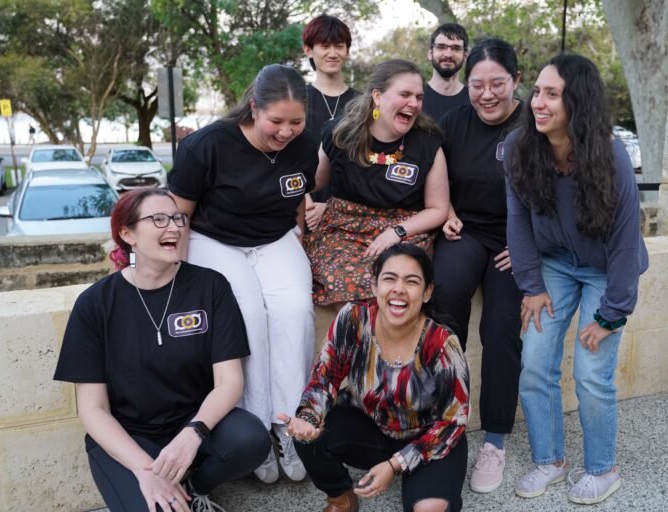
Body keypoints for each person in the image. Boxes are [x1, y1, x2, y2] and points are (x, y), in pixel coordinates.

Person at [53, 189, 271, 512]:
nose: (173, 227)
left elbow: (229, 381)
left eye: (177, 218)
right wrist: (145, 470)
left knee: (252, 439)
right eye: (158, 220)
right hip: (130, 435)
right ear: (128, 235)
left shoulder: (211, 287)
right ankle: (163, 485)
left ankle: (195, 487)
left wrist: (193, 433)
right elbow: (92, 409)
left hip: (192, 421)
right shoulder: (94, 304)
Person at [504, 53, 649, 505]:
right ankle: (550, 460)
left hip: (606, 269)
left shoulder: (610, 156)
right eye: (538, 93)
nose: (538, 103)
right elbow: (518, 222)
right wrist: (531, 286)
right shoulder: (518, 149)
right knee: (535, 361)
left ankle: (603, 471)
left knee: (591, 372)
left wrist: (611, 315)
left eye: (552, 94)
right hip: (554, 265)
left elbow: (627, 240)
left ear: (578, 103)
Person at [168, 64, 317, 484]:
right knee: (247, 314)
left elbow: (297, 199)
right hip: (213, 239)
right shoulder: (206, 145)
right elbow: (179, 214)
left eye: (295, 121)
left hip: (274, 236)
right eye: (276, 121)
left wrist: (299, 240)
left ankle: (288, 427)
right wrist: (176, 275)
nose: (286, 131)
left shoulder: (306, 144)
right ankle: (254, 433)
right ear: (253, 107)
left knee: (294, 311)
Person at [280, 243, 470, 512]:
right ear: (374, 285)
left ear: (427, 292)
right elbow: (325, 379)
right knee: (306, 433)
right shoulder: (354, 318)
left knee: (430, 509)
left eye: (412, 281)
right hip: (370, 425)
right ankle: (340, 497)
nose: (398, 289)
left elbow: (453, 421)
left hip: (429, 437)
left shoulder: (442, 343)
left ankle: (418, 481)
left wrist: (395, 465)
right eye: (389, 278)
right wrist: (309, 418)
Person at [430, 38, 524, 495]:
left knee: (503, 325)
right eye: (476, 85)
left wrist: (533, 248)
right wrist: (443, 210)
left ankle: (495, 439)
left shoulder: (535, 123)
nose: (486, 94)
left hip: (515, 242)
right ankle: (444, 416)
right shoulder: (453, 122)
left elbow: (560, 194)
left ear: (517, 82)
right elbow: (432, 173)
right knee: (445, 296)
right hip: (463, 231)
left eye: (497, 84)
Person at [305, 59, 449, 309]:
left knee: (394, 281)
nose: (414, 104)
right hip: (343, 229)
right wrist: (306, 199)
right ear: (377, 96)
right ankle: (359, 344)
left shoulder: (428, 143)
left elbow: (438, 209)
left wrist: (398, 232)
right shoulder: (341, 133)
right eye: (404, 94)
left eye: (419, 97)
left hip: (405, 231)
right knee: (346, 282)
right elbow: (313, 180)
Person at [302, 14, 359, 232]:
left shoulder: (364, 105)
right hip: (300, 208)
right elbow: (284, 157)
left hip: (350, 212)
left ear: (347, 51)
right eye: (325, 46)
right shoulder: (296, 100)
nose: (333, 53)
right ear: (309, 50)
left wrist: (331, 207)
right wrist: (305, 202)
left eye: (339, 46)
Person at [422, 23, 470, 121]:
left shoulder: (474, 100)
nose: (448, 54)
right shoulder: (415, 98)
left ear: (465, 56)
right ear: (430, 53)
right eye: (441, 47)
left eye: (456, 48)